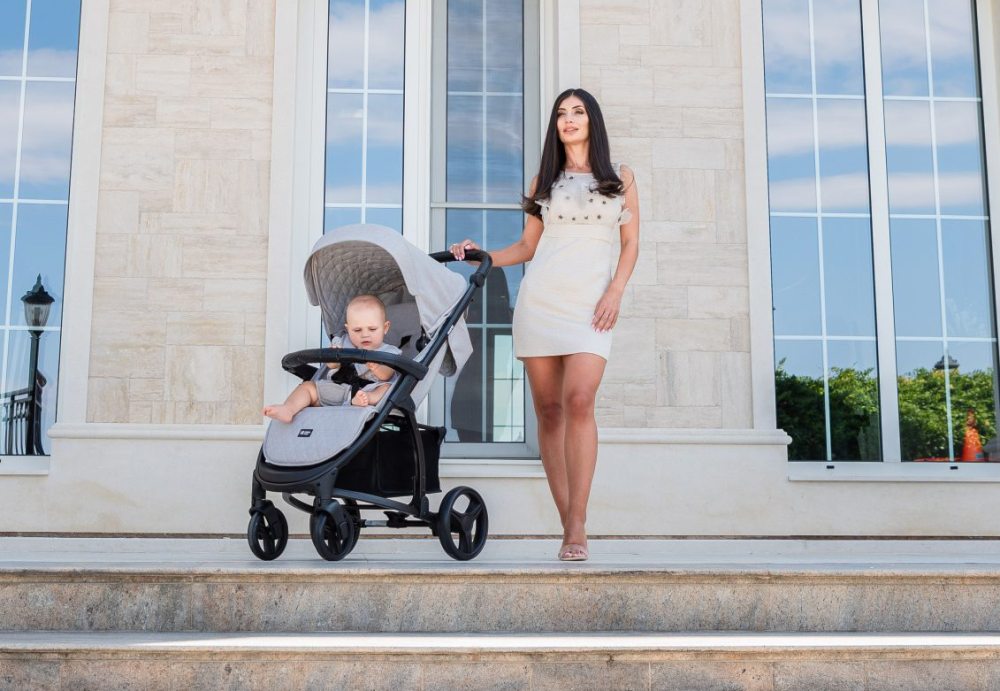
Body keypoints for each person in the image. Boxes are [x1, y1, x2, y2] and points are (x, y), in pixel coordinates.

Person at [450, 88, 640, 561]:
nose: (568, 119)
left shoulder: (621, 178)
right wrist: (482, 256)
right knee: (550, 412)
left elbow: (631, 244)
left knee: (580, 400)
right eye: (561, 114)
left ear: (592, 121)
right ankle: (566, 523)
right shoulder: (544, 182)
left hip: (591, 307)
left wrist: (615, 291)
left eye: (578, 112)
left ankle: (578, 523)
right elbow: (526, 247)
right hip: (540, 304)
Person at [263, 295, 401, 423]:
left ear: (385, 328)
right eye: (357, 330)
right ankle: (288, 409)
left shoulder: (389, 351)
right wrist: (334, 358)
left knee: (387, 388)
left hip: (370, 390)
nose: (365, 334)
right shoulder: (342, 343)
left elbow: (387, 375)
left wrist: (377, 368)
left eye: (372, 329)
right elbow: (331, 366)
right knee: (308, 387)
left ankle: (366, 400)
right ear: (348, 329)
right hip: (339, 389)